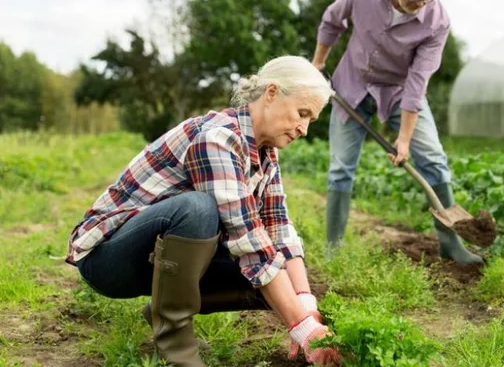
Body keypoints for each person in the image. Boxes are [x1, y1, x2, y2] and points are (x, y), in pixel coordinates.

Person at [65, 56, 342, 367]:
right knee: (198, 210)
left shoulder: (266, 153)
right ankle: (177, 346)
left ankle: (166, 306)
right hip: (108, 259)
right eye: (302, 113)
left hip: (156, 259)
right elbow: (249, 240)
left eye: (311, 120)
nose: (304, 128)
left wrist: (304, 303)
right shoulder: (218, 138)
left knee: (279, 280)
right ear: (272, 93)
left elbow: (278, 226)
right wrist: (302, 328)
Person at [311, 0, 482, 265]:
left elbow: (418, 82)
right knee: (340, 168)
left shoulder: (437, 21)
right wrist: (317, 65)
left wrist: (404, 138)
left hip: (400, 91)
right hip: (353, 83)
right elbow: (333, 21)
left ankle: (451, 244)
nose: (419, 3)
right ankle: (333, 250)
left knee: (433, 160)